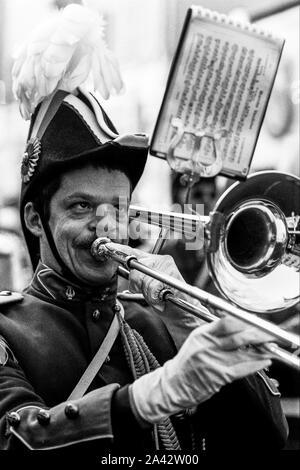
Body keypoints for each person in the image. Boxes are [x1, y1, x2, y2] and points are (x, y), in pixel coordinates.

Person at [0, 4, 288, 453]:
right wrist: (151, 396)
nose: (107, 224)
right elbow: (20, 441)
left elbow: (265, 440)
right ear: (37, 219)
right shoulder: (8, 330)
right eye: (81, 206)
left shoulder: (154, 317)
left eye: (118, 205)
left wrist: (194, 324)